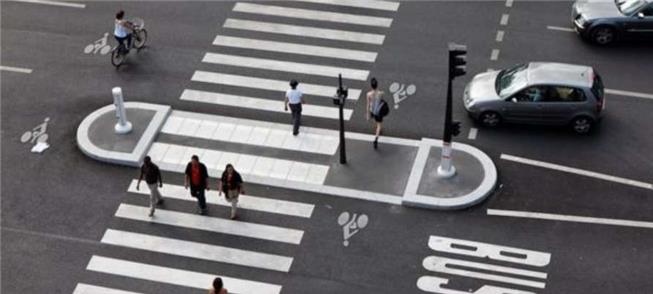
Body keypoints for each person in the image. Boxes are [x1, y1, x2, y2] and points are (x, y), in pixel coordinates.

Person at [366, 77, 386, 149]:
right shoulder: (381, 93)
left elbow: (368, 105)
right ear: (377, 85)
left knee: (375, 121)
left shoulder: (368, 94)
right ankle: (376, 138)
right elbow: (382, 101)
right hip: (378, 111)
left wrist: (367, 114)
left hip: (372, 110)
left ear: (371, 86)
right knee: (379, 125)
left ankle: (376, 129)